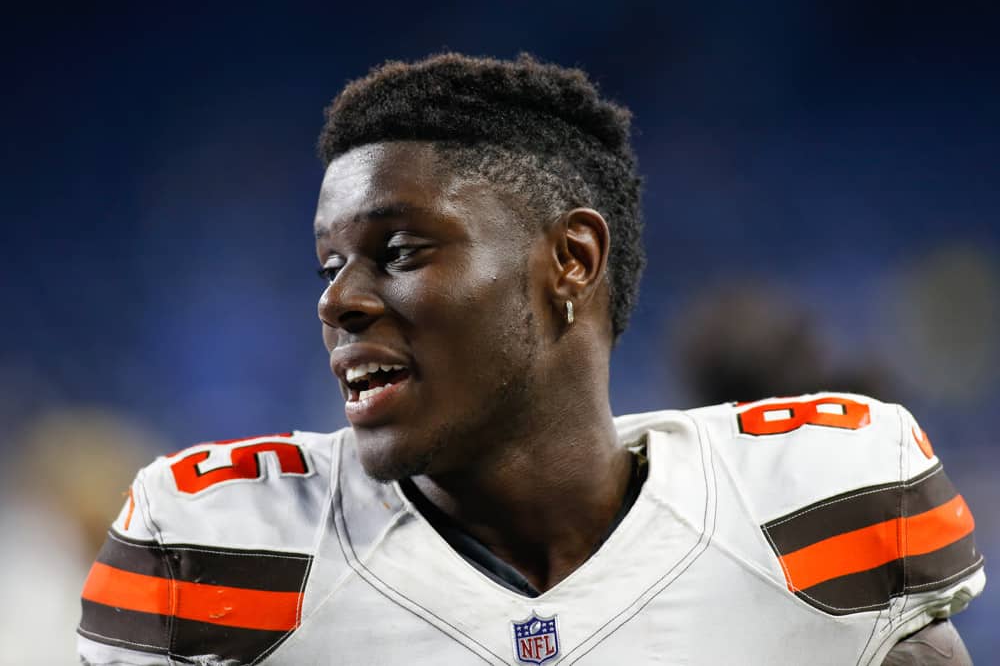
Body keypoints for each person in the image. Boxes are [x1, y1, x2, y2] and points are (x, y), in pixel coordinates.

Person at [78, 53, 984, 665]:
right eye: (328, 264)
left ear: (571, 261)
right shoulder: (215, 551)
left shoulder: (822, 507)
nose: (337, 300)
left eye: (398, 252)